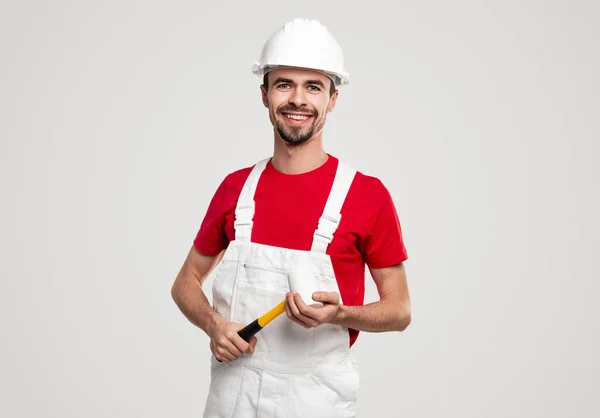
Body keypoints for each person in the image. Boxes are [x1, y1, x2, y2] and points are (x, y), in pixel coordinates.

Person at [171, 17, 411, 418]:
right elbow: (185, 282)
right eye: (284, 84)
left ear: (332, 99)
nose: (297, 99)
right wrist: (215, 325)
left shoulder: (366, 195)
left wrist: (341, 314)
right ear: (264, 94)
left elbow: (400, 310)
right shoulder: (236, 189)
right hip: (234, 393)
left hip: (316, 398)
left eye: (313, 86)